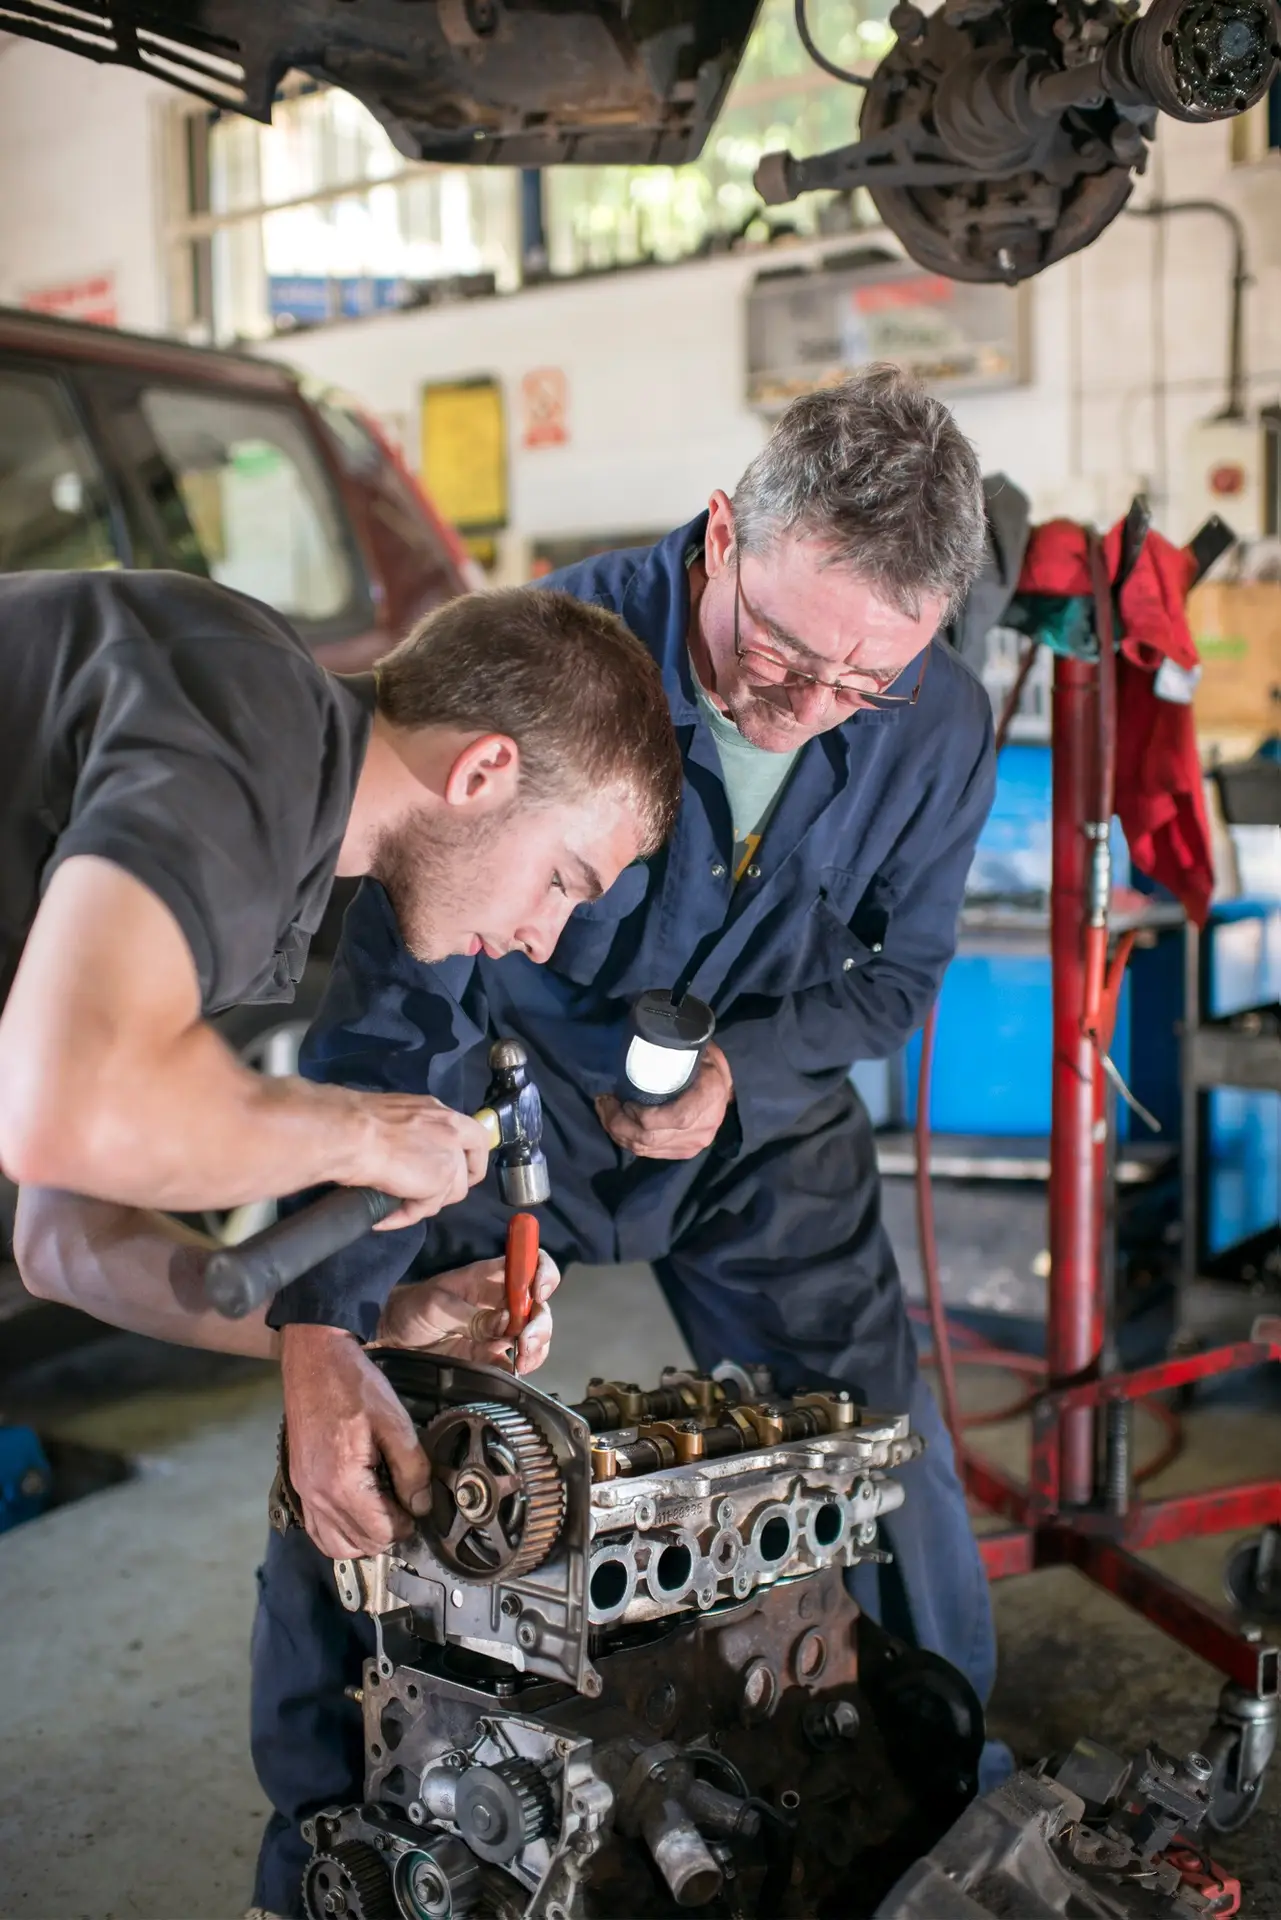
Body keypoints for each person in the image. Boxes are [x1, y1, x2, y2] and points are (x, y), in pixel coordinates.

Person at [239, 364, 1004, 1918]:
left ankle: (933, 1803)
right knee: (371, 1451)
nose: (807, 703)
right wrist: (322, 1319)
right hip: (501, 1097)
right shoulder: (545, 660)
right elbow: (400, 1014)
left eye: (865, 682)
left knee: (873, 1448)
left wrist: (746, 1071)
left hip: (755, 1123)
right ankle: (323, 1849)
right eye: (782, 650)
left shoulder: (940, 725)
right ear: (721, 534)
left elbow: (902, 976)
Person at [0, 569, 679, 1236]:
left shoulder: (275, 802)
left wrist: (371, 1326)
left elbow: (65, 1237)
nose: (543, 940)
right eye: (561, 880)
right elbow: (63, 1115)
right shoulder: (252, 729)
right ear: (479, 773)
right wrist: (362, 1136)